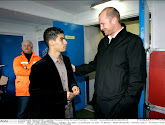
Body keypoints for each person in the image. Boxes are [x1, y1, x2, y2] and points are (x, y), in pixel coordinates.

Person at [72, 7, 146, 118]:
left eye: (103, 24)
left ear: (114, 21)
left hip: (119, 106)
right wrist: (76, 69)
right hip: (100, 103)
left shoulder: (133, 42)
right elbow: (96, 64)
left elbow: (137, 78)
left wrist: (124, 105)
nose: (101, 28)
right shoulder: (103, 42)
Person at [29, 27, 80, 118]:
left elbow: (70, 78)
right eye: (62, 39)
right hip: (52, 112)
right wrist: (63, 96)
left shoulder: (67, 60)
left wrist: (73, 85)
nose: (65, 42)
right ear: (51, 42)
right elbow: (36, 94)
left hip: (69, 108)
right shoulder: (39, 67)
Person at [13, 40, 41, 118]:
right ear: (22, 47)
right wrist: (32, 70)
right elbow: (18, 71)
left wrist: (26, 69)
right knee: (22, 112)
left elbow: (41, 71)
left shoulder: (38, 59)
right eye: (24, 45)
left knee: (37, 111)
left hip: (36, 89)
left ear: (32, 47)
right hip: (23, 90)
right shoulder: (17, 59)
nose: (26, 47)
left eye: (28, 45)